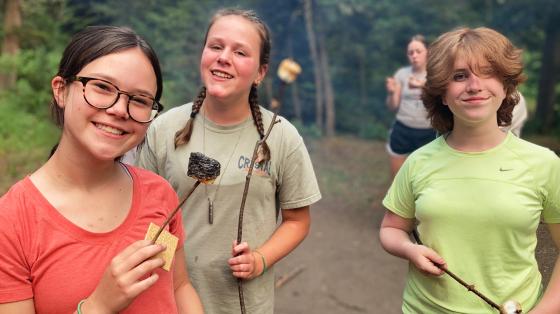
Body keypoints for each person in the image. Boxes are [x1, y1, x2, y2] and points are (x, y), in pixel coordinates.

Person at [0, 26, 204, 314]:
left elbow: (178, 286)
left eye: (140, 100)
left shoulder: (160, 195)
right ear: (61, 90)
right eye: (103, 87)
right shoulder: (11, 223)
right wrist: (98, 306)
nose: (120, 109)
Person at [136, 8, 321, 314]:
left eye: (240, 52)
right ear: (203, 54)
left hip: (242, 304)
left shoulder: (280, 137)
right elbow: (144, 216)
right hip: (168, 299)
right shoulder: (165, 129)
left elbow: (298, 221)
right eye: (216, 46)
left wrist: (260, 258)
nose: (224, 57)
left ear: (260, 72)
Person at [379, 27, 560, 313]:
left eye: (487, 72)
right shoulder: (418, 162)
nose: (474, 85)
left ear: (506, 86)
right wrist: (409, 249)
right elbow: (391, 228)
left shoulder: (544, 164)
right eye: (459, 76)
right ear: (441, 93)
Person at [385, 34, 437, 178]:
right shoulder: (402, 74)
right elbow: (393, 106)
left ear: (428, 52)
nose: (414, 55)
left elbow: (442, 100)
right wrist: (391, 93)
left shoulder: (436, 74)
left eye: (418, 51)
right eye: (410, 52)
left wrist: (421, 85)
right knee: (397, 180)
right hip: (403, 130)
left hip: (429, 133)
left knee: (426, 180)